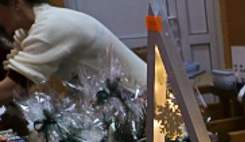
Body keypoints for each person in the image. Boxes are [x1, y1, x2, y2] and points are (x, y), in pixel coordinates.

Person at [0, 0, 147, 104]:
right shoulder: (27, 30)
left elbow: (10, 89)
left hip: (139, 99)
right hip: (110, 102)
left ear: (16, 3)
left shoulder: (51, 26)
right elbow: (17, 83)